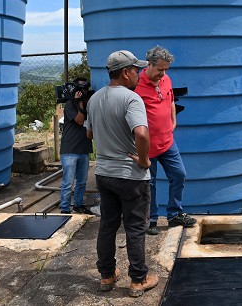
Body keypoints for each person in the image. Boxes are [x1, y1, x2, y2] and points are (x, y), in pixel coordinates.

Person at [85, 50, 158, 297]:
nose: (139, 74)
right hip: (130, 175)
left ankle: (107, 275)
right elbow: (141, 133)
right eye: (136, 70)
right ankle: (138, 279)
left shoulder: (94, 99)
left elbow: (90, 134)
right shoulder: (131, 99)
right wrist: (145, 160)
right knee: (135, 227)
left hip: (104, 173)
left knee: (107, 225)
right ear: (126, 72)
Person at [135, 45, 196, 235]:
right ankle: (151, 219)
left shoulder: (166, 80)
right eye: (160, 69)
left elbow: (170, 100)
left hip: (168, 142)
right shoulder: (136, 85)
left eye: (166, 70)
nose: (163, 74)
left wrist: (173, 121)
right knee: (149, 184)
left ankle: (174, 214)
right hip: (147, 146)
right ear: (149, 65)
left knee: (179, 175)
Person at [59, 78, 94, 215]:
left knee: (81, 182)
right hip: (70, 150)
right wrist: (79, 102)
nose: (83, 93)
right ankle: (65, 209)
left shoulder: (89, 105)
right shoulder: (70, 104)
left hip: (83, 149)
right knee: (68, 183)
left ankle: (78, 205)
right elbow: (80, 121)